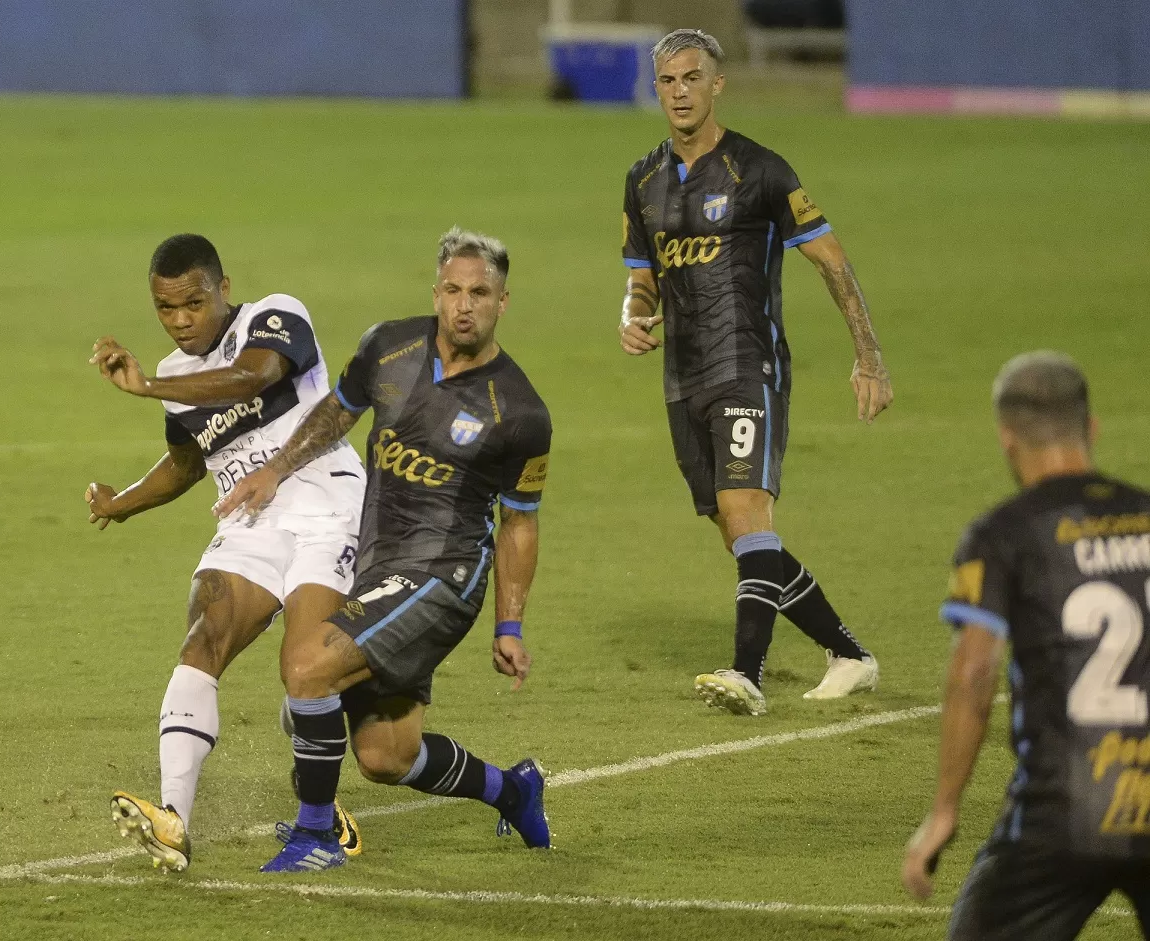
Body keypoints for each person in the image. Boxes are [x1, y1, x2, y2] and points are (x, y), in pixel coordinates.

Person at [217, 227, 553, 873]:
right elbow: (337, 411)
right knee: (385, 757)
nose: (464, 305)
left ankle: (316, 833)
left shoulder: (519, 411)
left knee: (309, 669)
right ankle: (513, 789)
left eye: (480, 293)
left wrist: (509, 624)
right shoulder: (387, 347)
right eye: (453, 289)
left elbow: (519, 523)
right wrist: (277, 468)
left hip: (443, 576)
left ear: (503, 302)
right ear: (436, 292)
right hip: (377, 566)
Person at [617, 28, 893, 716]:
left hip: (746, 363)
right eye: (667, 81)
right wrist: (632, 311)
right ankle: (851, 655)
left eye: (692, 78)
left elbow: (832, 260)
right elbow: (641, 274)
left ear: (718, 84)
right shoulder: (643, 179)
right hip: (681, 377)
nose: (680, 92)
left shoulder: (761, 170)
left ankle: (748, 672)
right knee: (741, 534)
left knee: (747, 512)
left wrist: (869, 357)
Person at [85, 233, 363, 870]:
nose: (181, 321)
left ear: (223, 289)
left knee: (308, 672)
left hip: (327, 507)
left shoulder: (274, 317)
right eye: (165, 309)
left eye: (193, 303)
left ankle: (320, 811)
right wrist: (118, 503)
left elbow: (253, 376)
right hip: (249, 521)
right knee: (202, 639)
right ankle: (174, 819)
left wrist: (147, 385)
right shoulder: (181, 379)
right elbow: (186, 463)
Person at [903, 352, 1150, 938]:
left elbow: (973, 673)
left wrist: (944, 810)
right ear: (1091, 428)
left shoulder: (1003, 533)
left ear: (1007, 439)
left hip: (1061, 809)